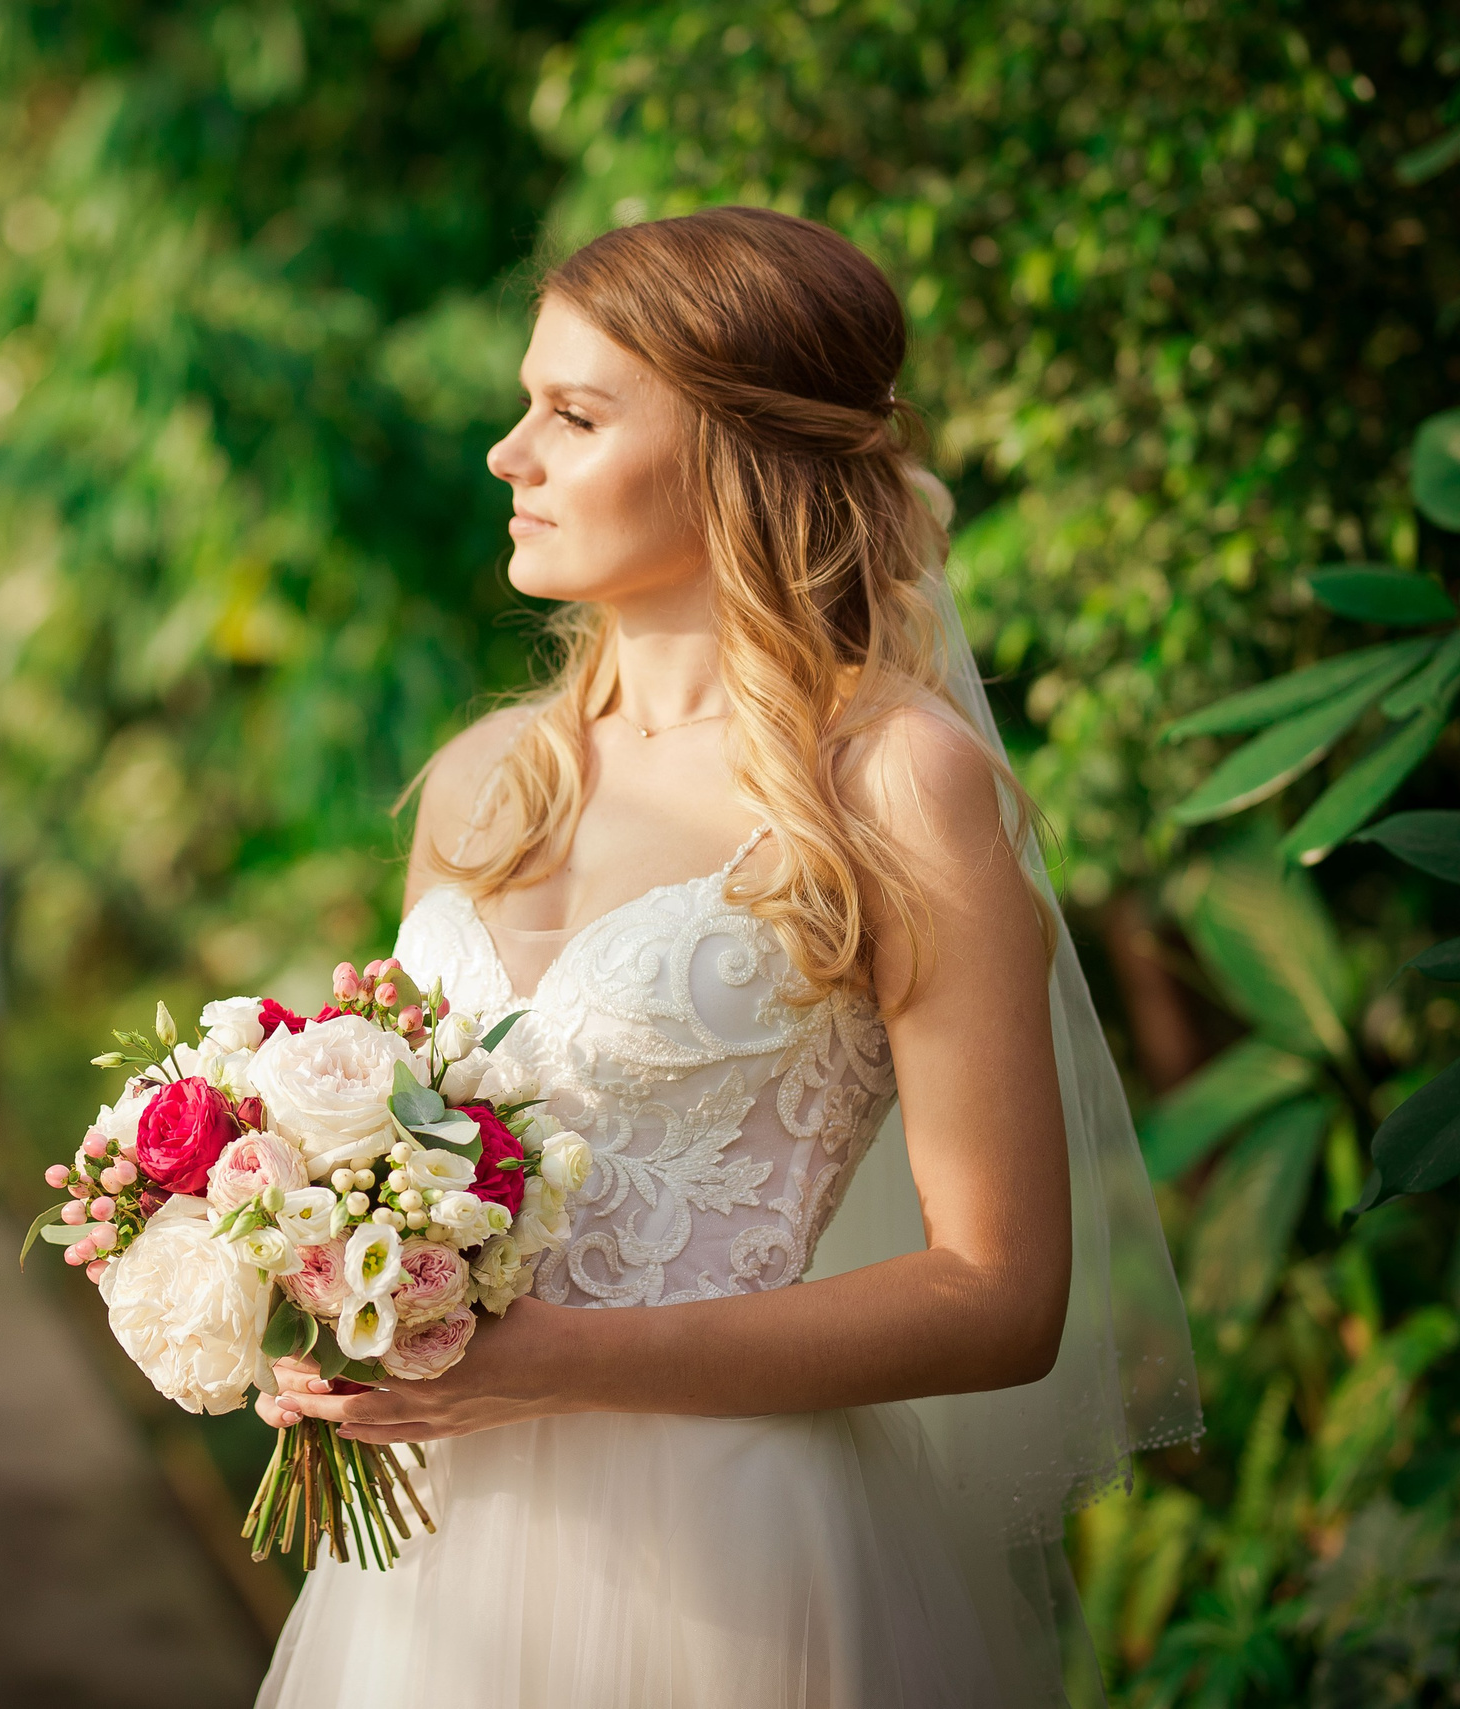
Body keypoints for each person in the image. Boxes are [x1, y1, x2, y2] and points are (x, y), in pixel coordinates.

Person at [252, 209, 1197, 1707]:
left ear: (738, 451)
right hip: (436, 1571)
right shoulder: (480, 785)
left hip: (740, 1564)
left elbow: (1003, 1293)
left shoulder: (890, 785)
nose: (511, 452)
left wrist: (561, 1360)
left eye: (573, 413)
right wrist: (309, 1297)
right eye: (524, 404)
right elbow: (411, 1164)